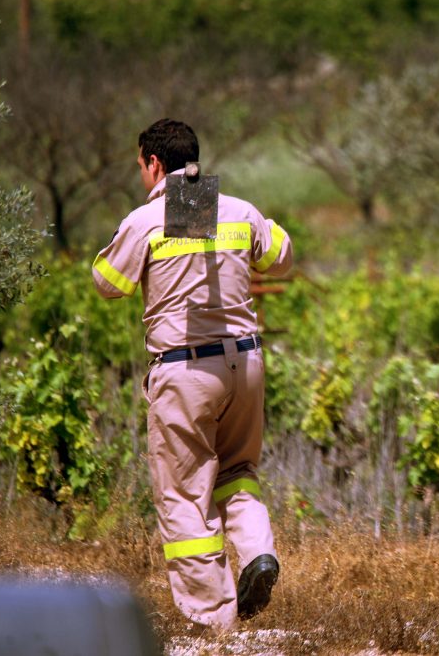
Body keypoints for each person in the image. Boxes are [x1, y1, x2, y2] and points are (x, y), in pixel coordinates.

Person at [92, 118, 293, 630]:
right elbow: (281, 258)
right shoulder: (239, 211)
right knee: (236, 473)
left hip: (185, 372)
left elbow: (107, 283)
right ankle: (256, 554)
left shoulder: (146, 219)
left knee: (184, 494)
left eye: (140, 166)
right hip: (245, 362)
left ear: (154, 163)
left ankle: (213, 620)